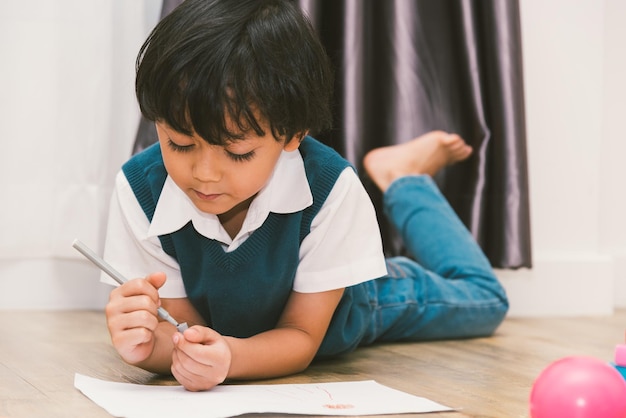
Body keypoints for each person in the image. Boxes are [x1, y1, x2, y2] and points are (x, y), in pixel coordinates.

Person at [102, 0, 509, 392]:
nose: (204, 174)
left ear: (294, 133)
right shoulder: (140, 189)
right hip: (254, 323)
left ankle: (404, 179)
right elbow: (187, 338)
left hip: (353, 307)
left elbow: (301, 336)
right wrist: (146, 346)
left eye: (238, 152)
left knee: (486, 300)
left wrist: (229, 359)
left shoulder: (330, 187)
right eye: (179, 144)